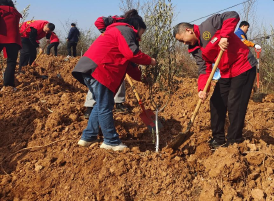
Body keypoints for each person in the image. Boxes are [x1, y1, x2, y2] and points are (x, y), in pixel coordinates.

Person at [72, 10, 156, 151]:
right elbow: (132, 54)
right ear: (137, 26)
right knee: (105, 107)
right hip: (101, 69)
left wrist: (144, 79)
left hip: (89, 68)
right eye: (142, 32)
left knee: (101, 105)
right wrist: (150, 61)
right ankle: (110, 141)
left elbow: (130, 65)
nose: (141, 36)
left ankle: (88, 136)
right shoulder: (126, 30)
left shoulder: (117, 31)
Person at [173, 11, 257, 149]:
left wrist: (224, 36)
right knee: (216, 101)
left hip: (243, 66)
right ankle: (218, 139)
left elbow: (232, 15)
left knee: (234, 103)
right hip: (226, 72)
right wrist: (202, 89)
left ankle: (234, 141)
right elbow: (204, 70)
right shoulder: (195, 50)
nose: (183, 43)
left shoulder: (209, 25)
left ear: (188, 30)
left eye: (182, 40)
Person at [83, 11, 138, 119]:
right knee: (98, 79)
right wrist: (107, 33)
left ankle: (118, 103)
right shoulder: (116, 21)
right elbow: (99, 22)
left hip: (119, 55)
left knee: (119, 79)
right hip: (107, 54)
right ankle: (90, 107)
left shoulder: (129, 29)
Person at [0, 0, 22, 88]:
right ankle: (8, 85)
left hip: (1, 37)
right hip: (13, 40)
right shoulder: (15, 13)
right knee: (11, 62)